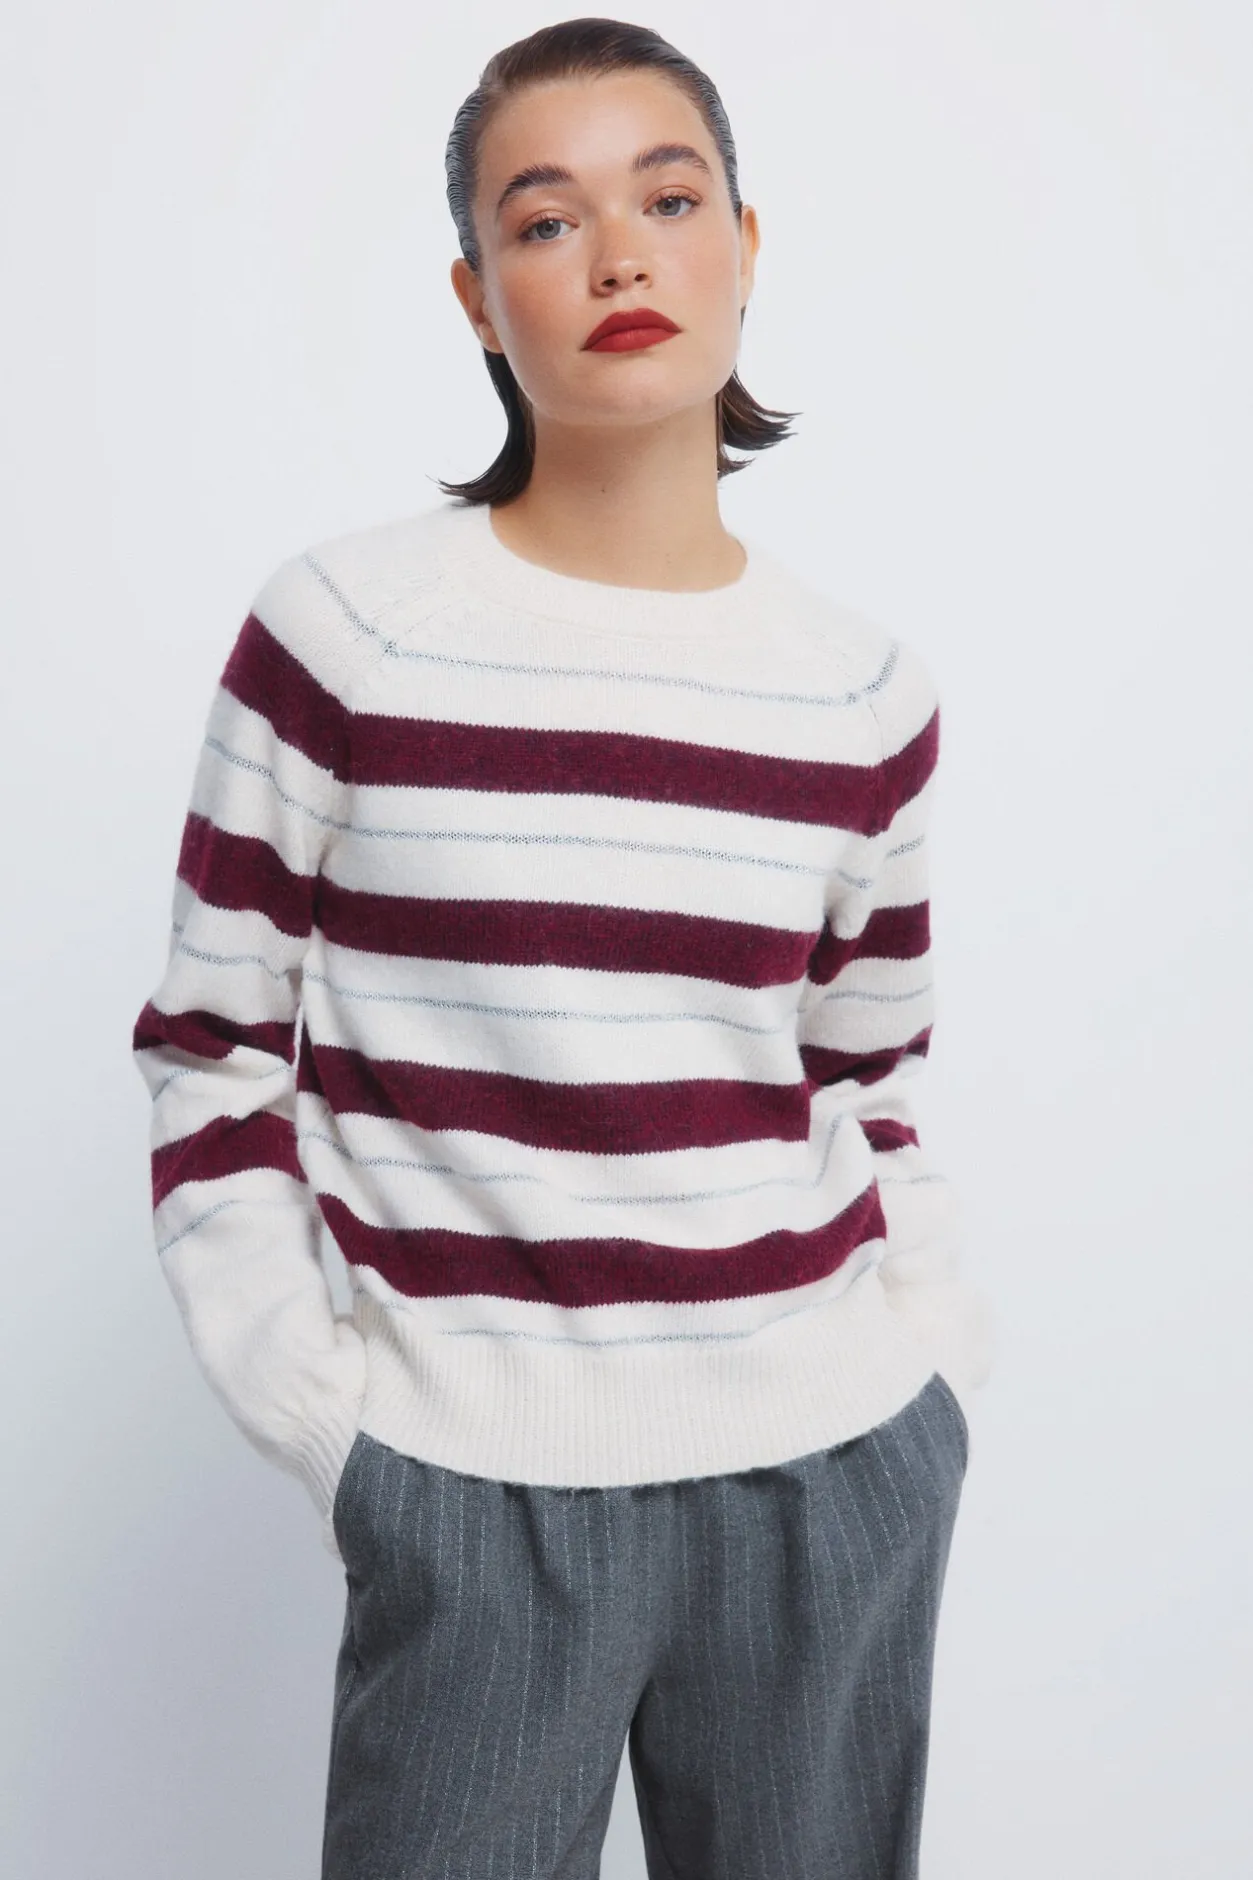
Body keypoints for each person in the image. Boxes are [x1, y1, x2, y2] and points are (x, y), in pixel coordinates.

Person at [131, 16, 996, 1878]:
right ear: (475, 295)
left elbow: (873, 1076)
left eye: (670, 200)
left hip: (827, 1469)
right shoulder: (347, 636)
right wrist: (334, 1421)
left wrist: (926, 1368)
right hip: (474, 1490)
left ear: (745, 246)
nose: (618, 256)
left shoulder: (863, 694)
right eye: (545, 219)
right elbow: (211, 1054)